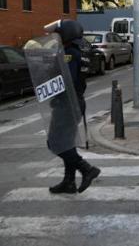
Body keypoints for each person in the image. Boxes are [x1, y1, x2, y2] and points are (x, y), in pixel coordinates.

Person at [43, 19, 101, 194]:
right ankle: (69, 182)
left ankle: (86, 169)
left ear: (67, 34)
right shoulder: (79, 51)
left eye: (59, 34)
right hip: (74, 102)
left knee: (54, 143)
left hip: (67, 103)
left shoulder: (69, 53)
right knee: (67, 143)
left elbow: (67, 80)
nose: (57, 38)